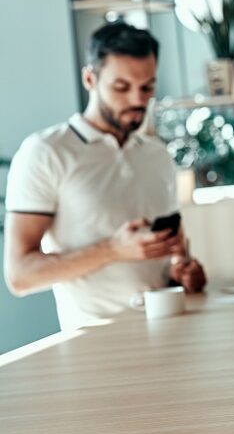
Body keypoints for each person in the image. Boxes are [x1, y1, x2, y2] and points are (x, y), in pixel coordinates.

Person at [4, 22, 205, 331]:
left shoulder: (156, 155)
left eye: (147, 87)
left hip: (172, 328)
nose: (138, 100)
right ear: (90, 79)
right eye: (121, 87)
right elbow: (20, 276)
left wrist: (183, 271)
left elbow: (172, 252)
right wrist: (113, 249)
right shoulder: (45, 153)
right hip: (96, 343)